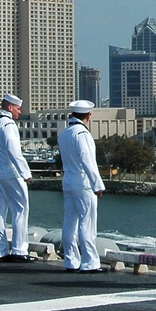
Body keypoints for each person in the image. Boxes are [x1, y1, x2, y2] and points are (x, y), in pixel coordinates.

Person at [0, 93, 33, 262]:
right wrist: (26, 173)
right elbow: (14, 151)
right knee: (20, 210)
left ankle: (0, 251)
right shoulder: (8, 125)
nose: (20, 112)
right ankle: (19, 250)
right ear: (10, 107)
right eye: (18, 108)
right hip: (10, 173)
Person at [58, 100, 106, 273]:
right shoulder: (82, 134)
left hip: (68, 181)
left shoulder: (65, 133)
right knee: (87, 222)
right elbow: (88, 160)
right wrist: (97, 184)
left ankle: (71, 261)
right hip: (83, 182)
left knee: (69, 221)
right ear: (88, 115)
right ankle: (90, 262)